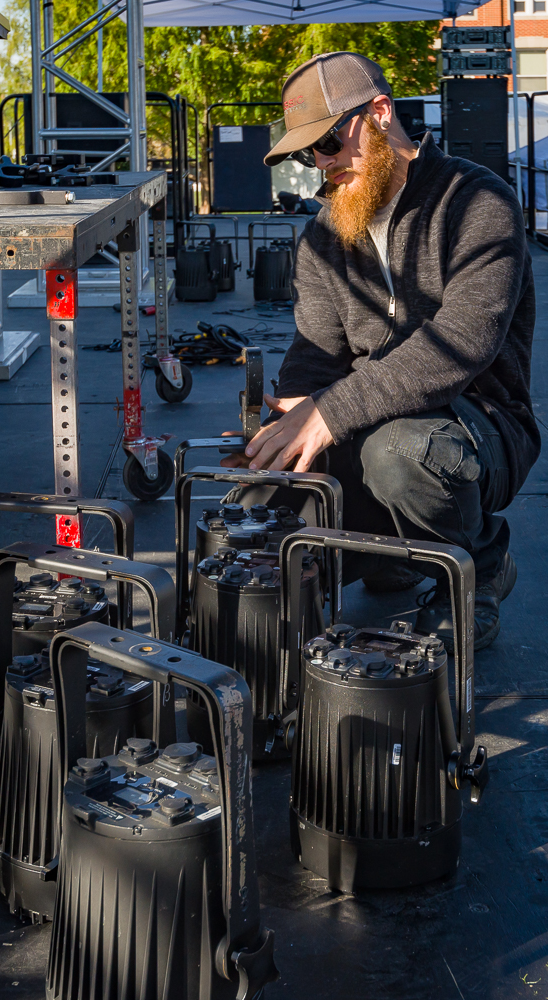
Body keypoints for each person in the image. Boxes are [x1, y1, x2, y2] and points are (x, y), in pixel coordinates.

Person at [222, 51, 540, 650]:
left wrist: (329, 413)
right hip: (376, 417)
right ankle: (391, 553)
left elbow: (462, 343)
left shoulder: (478, 202)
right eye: (307, 152)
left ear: (380, 113)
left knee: (400, 453)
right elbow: (316, 353)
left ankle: (478, 569)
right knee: (267, 493)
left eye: (331, 142)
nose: (322, 163)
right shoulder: (322, 236)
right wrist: (288, 422)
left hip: (482, 421)